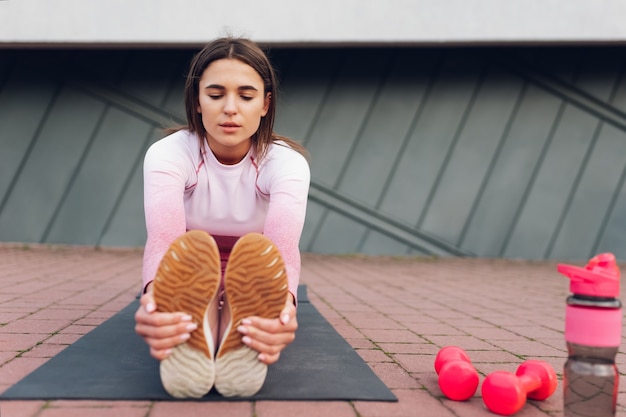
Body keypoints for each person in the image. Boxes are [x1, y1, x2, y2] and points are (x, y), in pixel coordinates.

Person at [134, 37, 310, 398]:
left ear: (265, 104)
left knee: (245, 290)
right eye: (215, 95)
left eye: (246, 96)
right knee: (195, 281)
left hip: (254, 273)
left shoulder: (287, 163)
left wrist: (284, 307)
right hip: (192, 268)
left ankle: (232, 329)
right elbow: (163, 241)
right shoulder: (168, 154)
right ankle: (197, 329)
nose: (230, 108)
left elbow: (282, 249)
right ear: (197, 101)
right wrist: (153, 299)